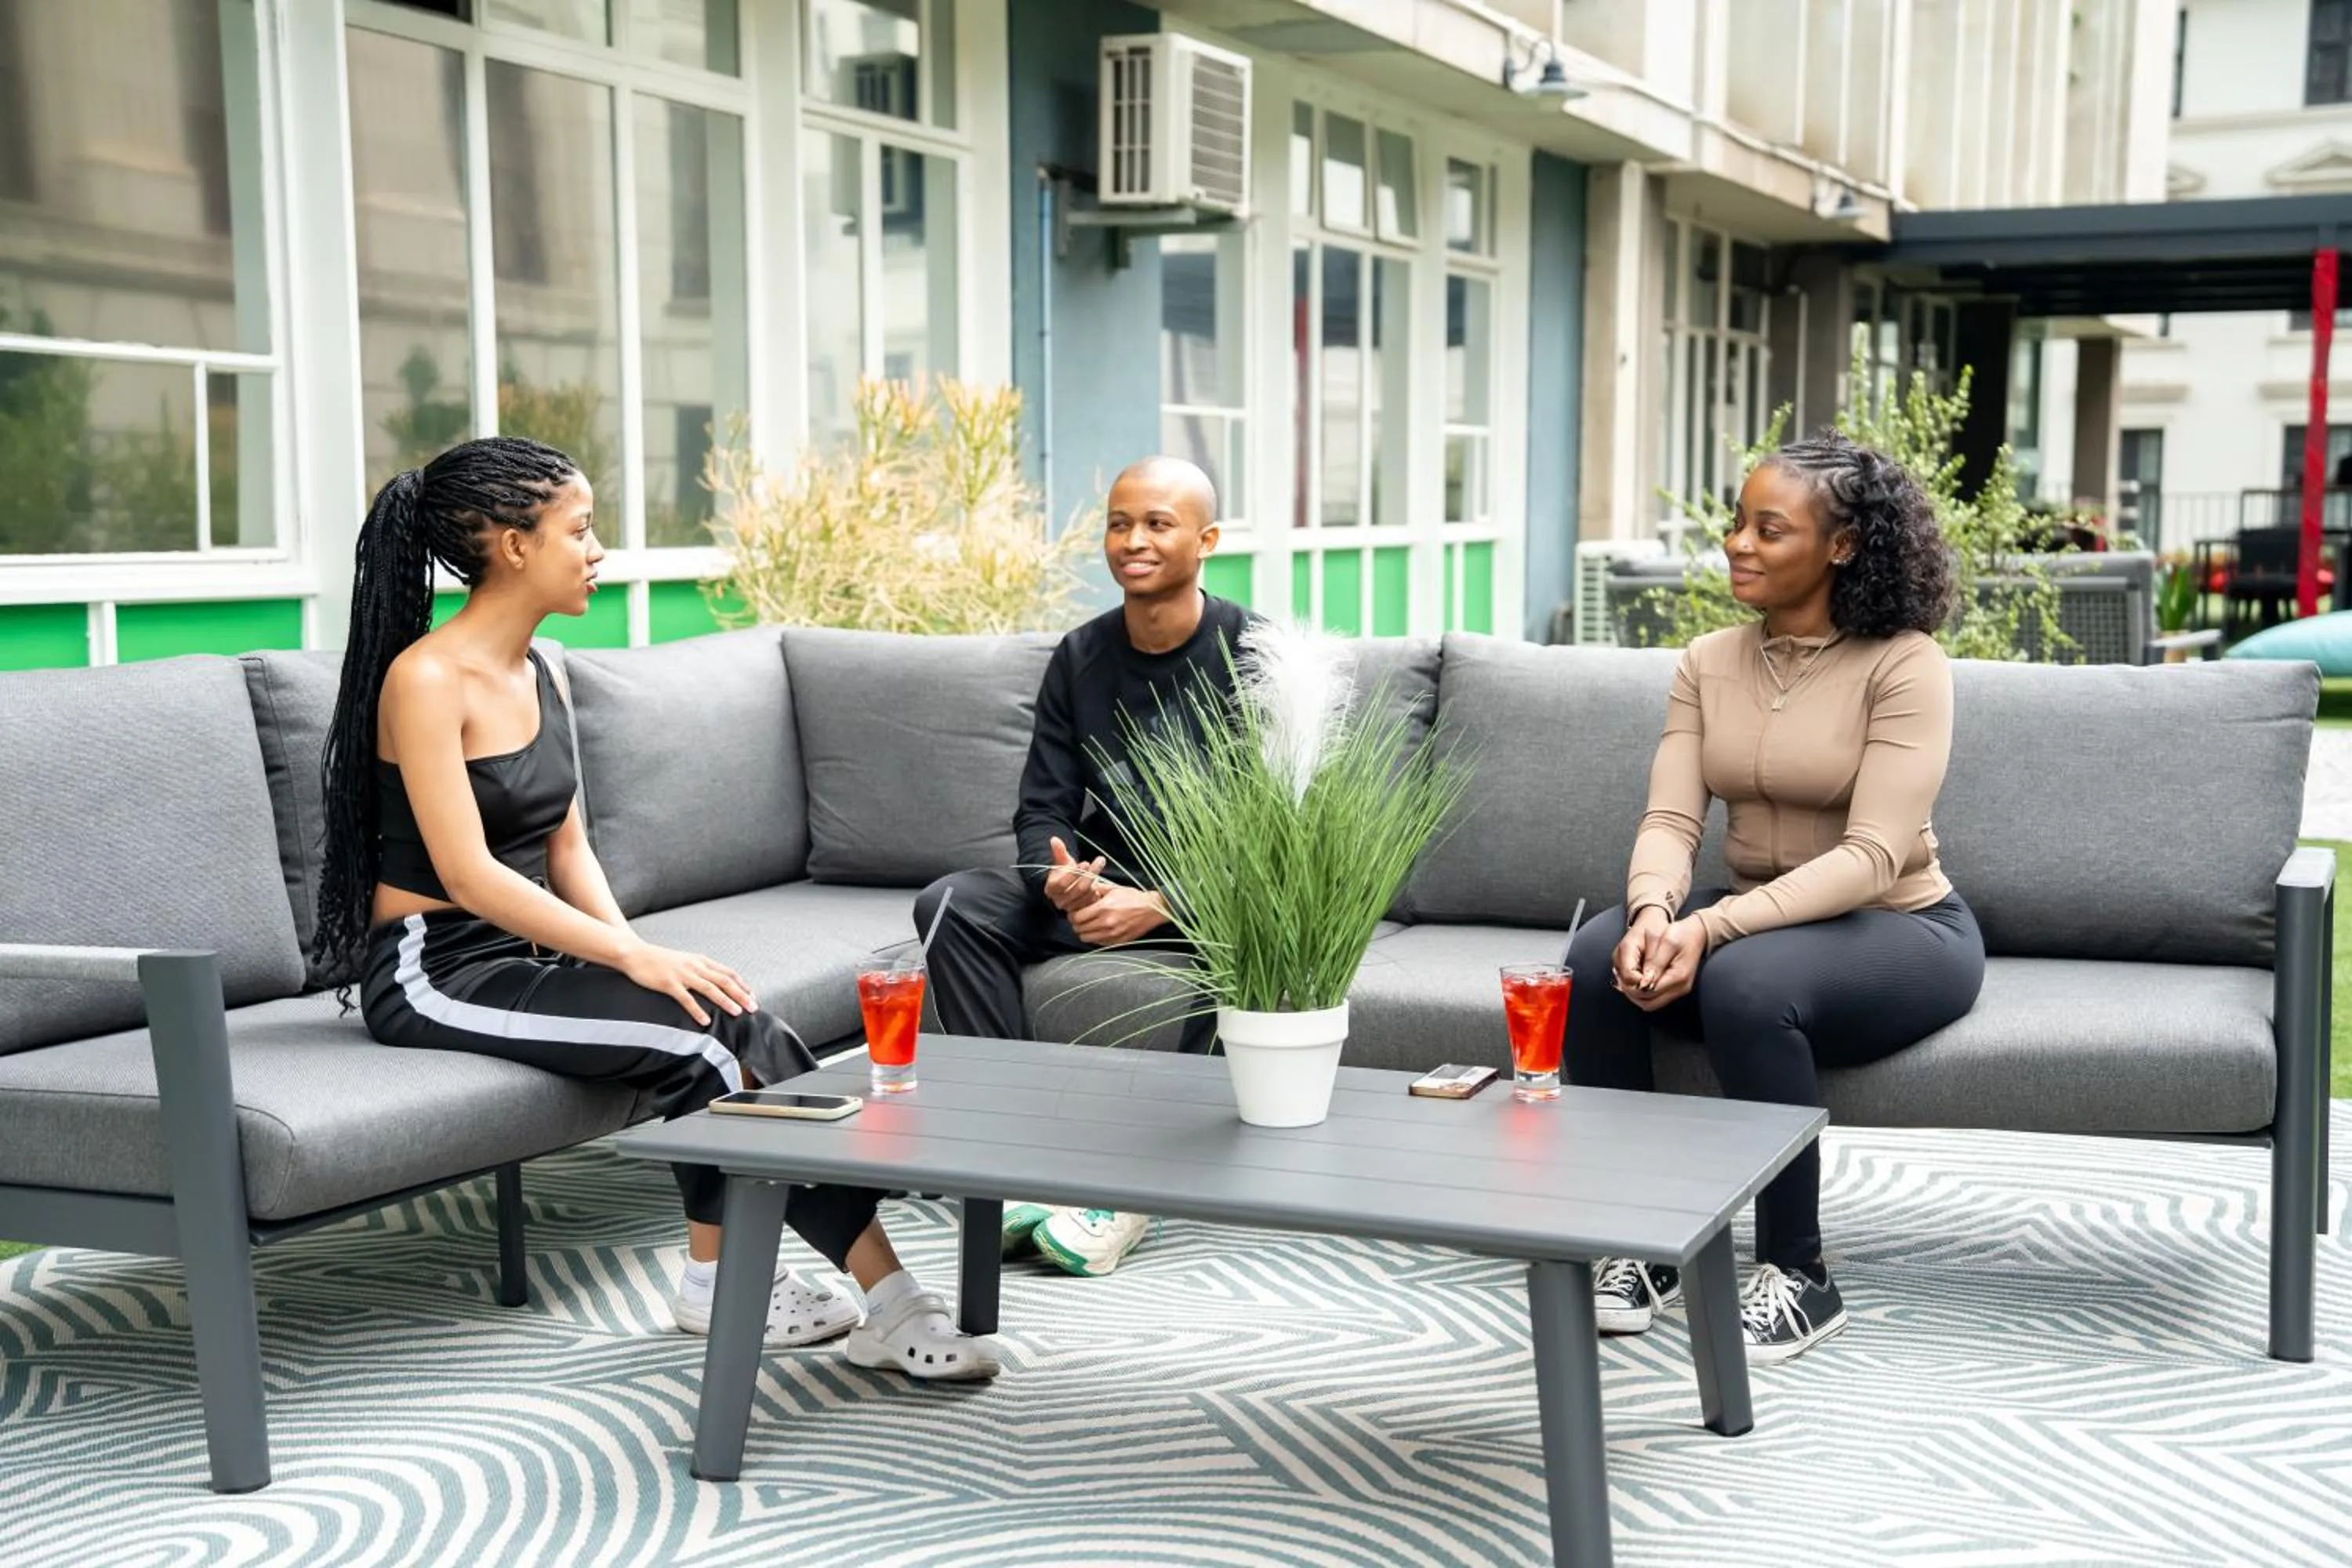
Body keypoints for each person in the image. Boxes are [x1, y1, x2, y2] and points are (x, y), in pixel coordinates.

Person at [316, 436, 997, 1381]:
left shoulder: (543, 669)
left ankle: (800, 1291)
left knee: (726, 1014)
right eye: (579, 530)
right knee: (704, 1046)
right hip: (435, 969)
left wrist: (638, 953)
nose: (598, 551)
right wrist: (631, 960)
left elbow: (567, 850)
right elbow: (468, 875)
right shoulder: (427, 678)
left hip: (525, 956)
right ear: (514, 545)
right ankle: (828, 1295)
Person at [1563, 431, 1985, 1364]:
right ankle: (1643, 1240)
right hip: (1759, 917)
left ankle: (1800, 1270)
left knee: (1746, 982)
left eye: (1768, 528)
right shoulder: (1708, 660)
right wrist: (1651, 913)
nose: (1737, 543)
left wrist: (1710, 926)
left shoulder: (1905, 663)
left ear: (1842, 546)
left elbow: (1873, 856)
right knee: (1594, 958)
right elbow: (1670, 819)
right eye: (1736, 522)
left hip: (1900, 926)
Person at [914, 456, 1250, 1278]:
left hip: (1221, 897)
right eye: (1119, 523)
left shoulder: (1256, 655)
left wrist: (1162, 903)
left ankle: (1135, 1191)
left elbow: (1278, 843)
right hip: (1103, 879)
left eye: (1158, 524)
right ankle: (1015, 1158)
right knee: (952, 903)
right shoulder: (1081, 655)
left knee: (1269, 939)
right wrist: (1057, 878)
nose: (1133, 541)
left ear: (1206, 540)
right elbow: (1043, 807)